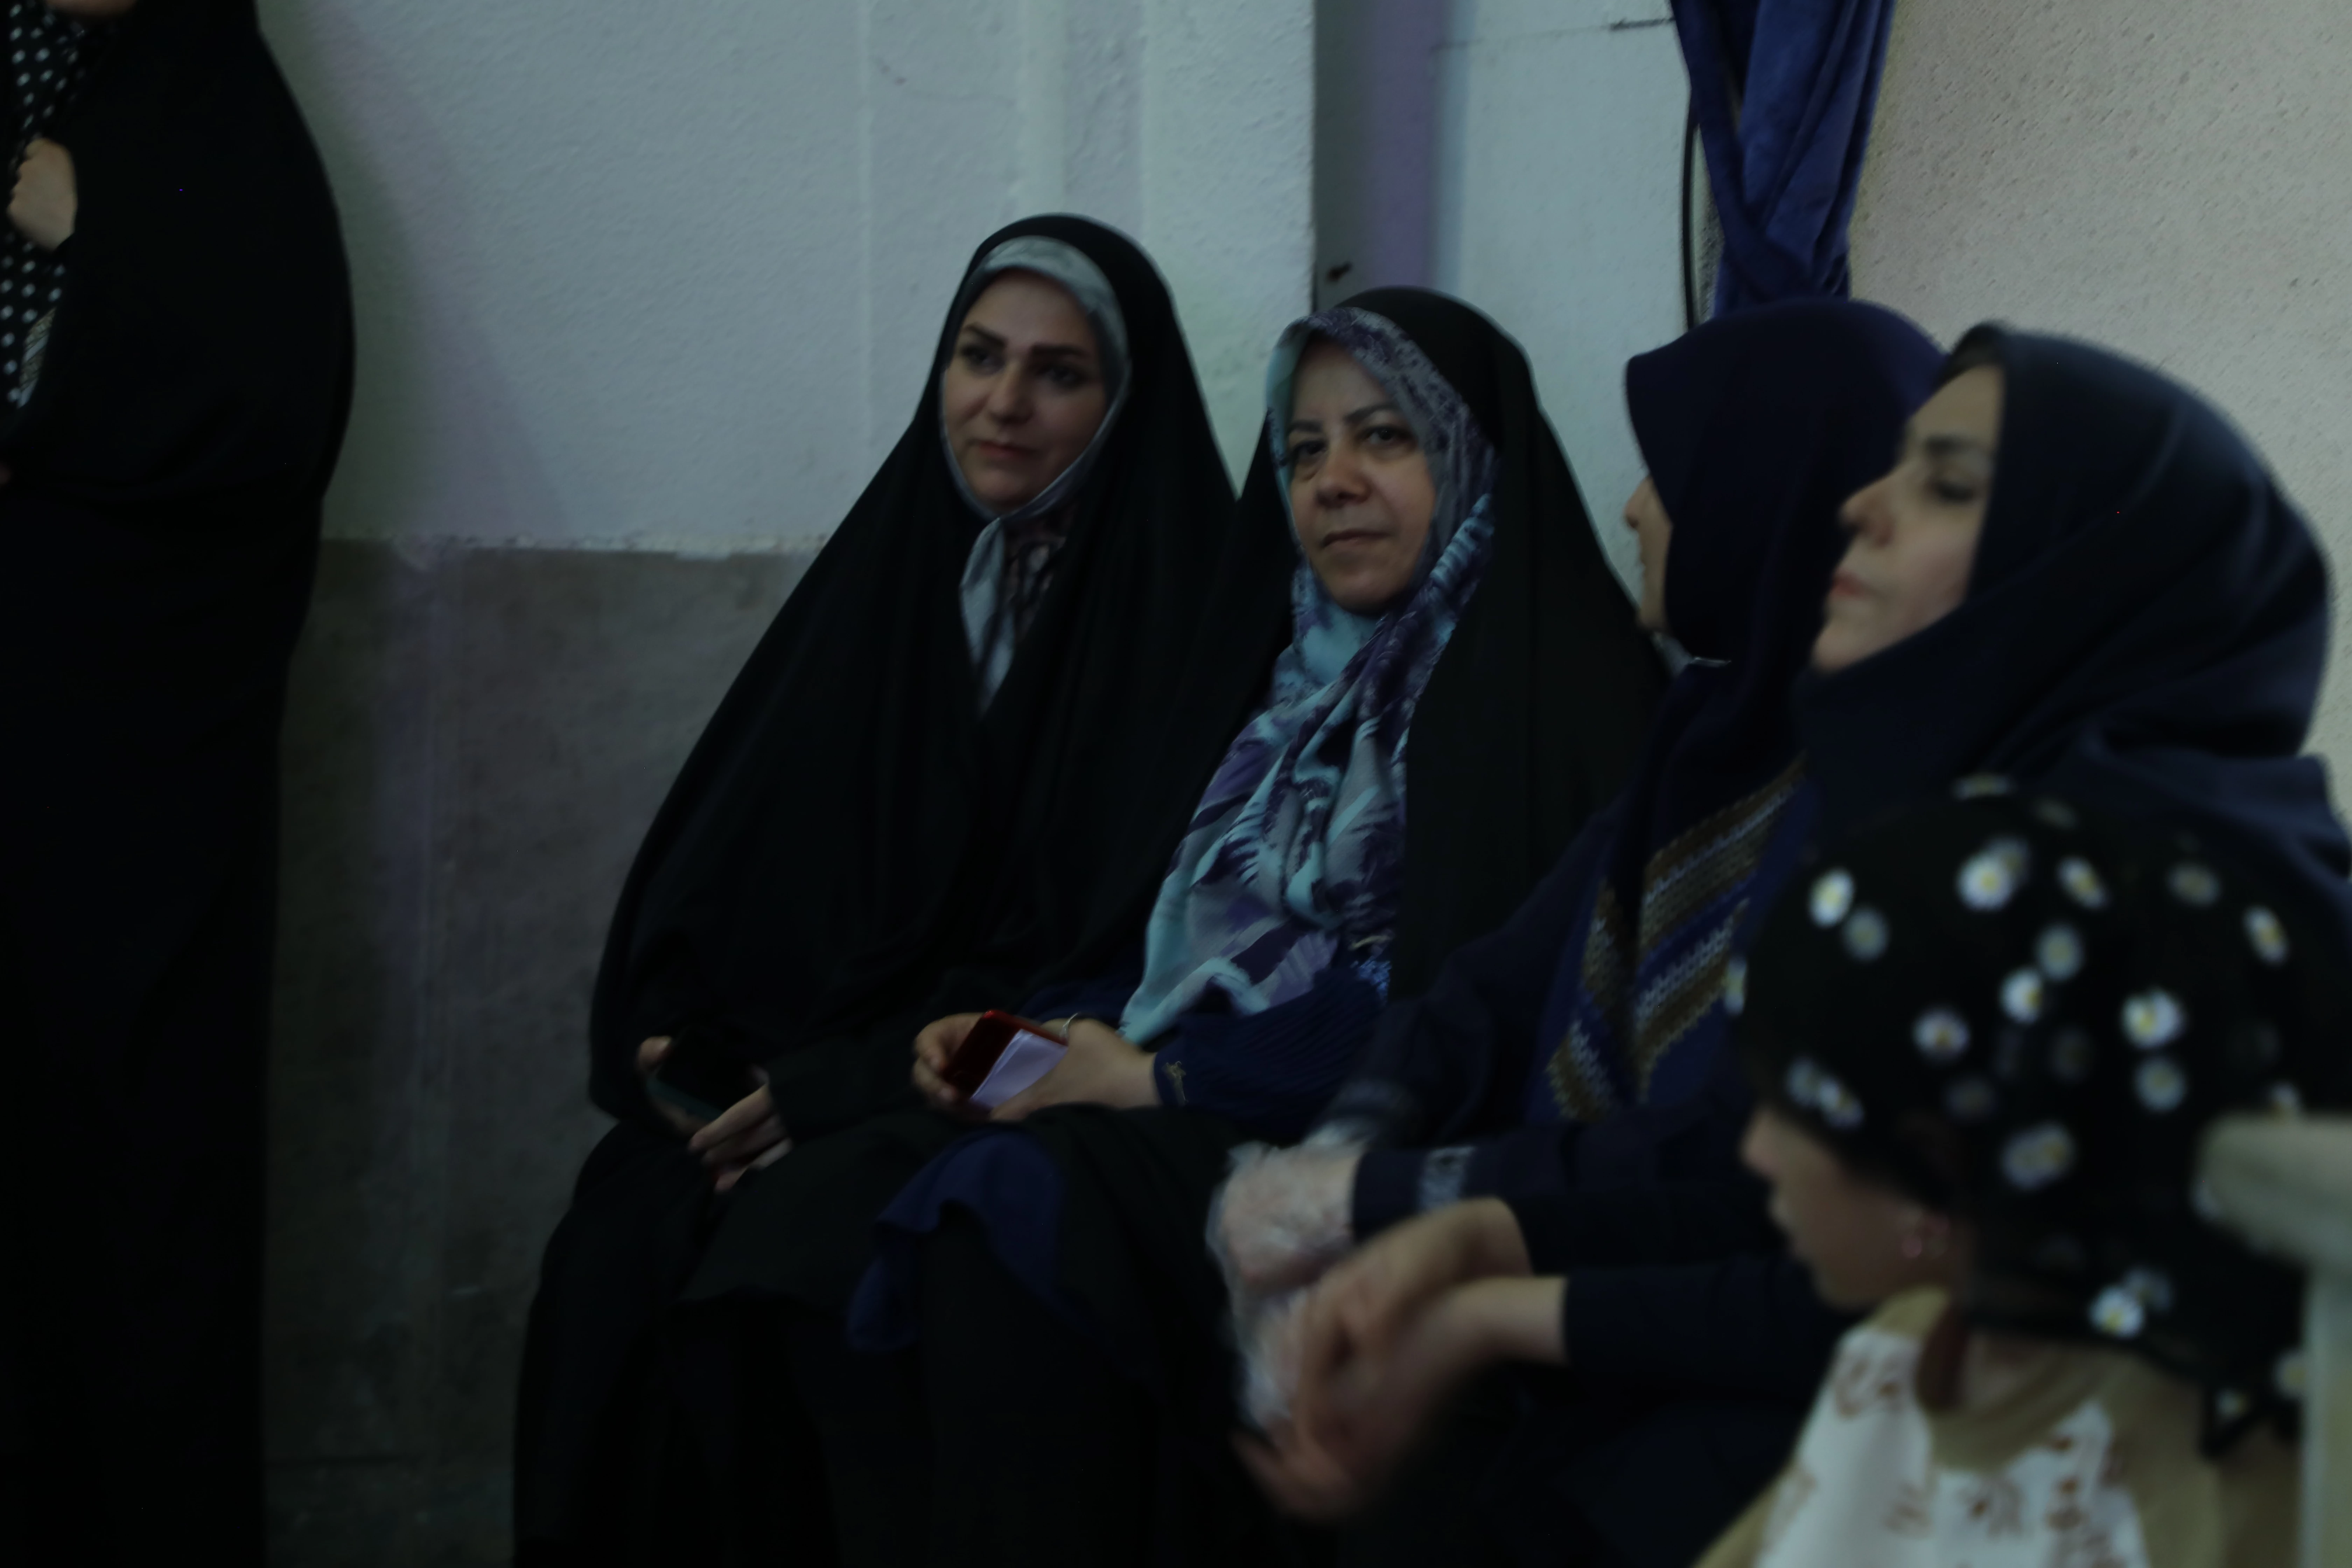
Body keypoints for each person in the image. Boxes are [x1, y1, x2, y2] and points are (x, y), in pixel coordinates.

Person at [1238, 325, 2352, 1567]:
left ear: (2082, 566)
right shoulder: (1979, 820)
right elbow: (1785, 1193)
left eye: (1946, 484)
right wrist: (1463, 1243)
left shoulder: (2136, 887)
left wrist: (1471, 1273)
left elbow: (1873, 1273)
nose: (1863, 505)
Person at [811, 287, 1672, 1566]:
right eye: (1304, 451)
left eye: (1385, 438)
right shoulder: (1281, 680)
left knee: (1004, 1208)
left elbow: (1455, 1009)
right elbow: (1168, 936)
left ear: (1471, 453)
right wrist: (1013, 1041)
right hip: (1170, 1092)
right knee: (832, 1195)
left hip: (1352, 1145)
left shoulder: (1553, 692)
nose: (1334, 483)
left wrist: (1161, 1079)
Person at [514, 215, 1248, 1564]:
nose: (1003, 403)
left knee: (790, 1260)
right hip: (824, 1075)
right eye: (978, 356)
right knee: (620, 1241)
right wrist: (697, 1047)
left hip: (1011, 1079)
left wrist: (838, 1091)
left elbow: (1105, 965)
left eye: (1059, 373)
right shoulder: (898, 573)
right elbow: (732, 869)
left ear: (1124, 404)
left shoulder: (1188, 623)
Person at [1215, 299, 1940, 1565]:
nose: (1634, 508)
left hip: (1741, 1355)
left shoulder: (1887, 798)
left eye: (1671, 473)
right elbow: (1491, 987)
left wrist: (1397, 1209)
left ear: (1769, 492)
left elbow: (1729, 1166)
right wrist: (1343, 1150)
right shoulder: (1707, 728)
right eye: (1306, 451)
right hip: (1592, 1266)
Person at [0, 1, 352, 1559]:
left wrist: (96, 221)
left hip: (122, 776)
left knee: (128, 1180)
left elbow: (268, 413)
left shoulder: (214, 113)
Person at [1706, 788, 2345, 1566]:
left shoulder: (2196, 1487)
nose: (1756, 1152)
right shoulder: (1903, 1346)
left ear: (1936, 1159)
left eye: (1788, 1111)